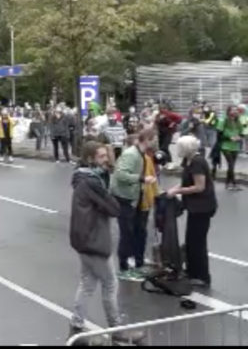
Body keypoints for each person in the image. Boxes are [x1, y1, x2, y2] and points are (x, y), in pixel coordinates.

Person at [68, 141, 144, 343]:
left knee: (87, 283)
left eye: (106, 155)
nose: (106, 160)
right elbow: (114, 208)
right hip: (94, 241)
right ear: (91, 158)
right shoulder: (91, 181)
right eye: (101, 156)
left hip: (83, 239)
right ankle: (117, 331)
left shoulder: (82, 176)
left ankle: (76, 325)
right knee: (110, 283)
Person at [167, 136, 217, 287]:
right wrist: (175, 189)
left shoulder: (197, 162)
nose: (177, 149)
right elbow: (185, 181)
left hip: (203, 207)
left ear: (186, 148)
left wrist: (177, 191)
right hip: (194, 207)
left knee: (197, 242)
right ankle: (191, 271)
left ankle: (202, 276)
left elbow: (199, 186)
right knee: (191, 241)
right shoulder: (188, 161)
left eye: (179, 147)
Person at [109, 129, 157, 281]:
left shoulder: (142, 153)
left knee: (139, 231)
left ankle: (138, 264)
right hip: (124, 198)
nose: (155, 142)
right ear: (147, 139)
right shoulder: (131, 154)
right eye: (154, 139)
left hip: (135, 197)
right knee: (127, 233)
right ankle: (123, 267)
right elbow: (120, 174)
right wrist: (142, 179)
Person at [218, 105, 246, 191]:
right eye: (232, 110)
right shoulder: (224, 120)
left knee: (231, 166)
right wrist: (229, 138)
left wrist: (239, 137)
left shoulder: (238, 121)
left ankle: (227, 183)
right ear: (228, 111)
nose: (234, 111)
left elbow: (242, 132)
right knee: (231, 165)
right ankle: (233, 184)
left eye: (236, 110)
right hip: (225, 146)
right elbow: (219, 134)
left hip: (235, 146)